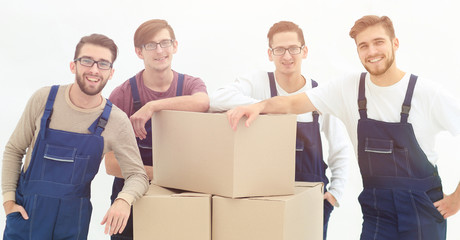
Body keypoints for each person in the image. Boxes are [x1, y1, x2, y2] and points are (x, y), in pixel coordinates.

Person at [226, 15, 460, 240]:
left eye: (378, 42)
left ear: (395, 43)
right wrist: (259, 106)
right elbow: (292, 102)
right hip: (377, 211)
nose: (372, 52)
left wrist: (457, 200)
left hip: (422, 210)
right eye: (363, 46)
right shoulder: (348, 88)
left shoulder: (427, 94)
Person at [210, 21, 353, 239]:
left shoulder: (318, 94)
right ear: (270, 54)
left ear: (304, 51)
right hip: (263, 199)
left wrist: (335, 195)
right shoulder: (258, 82)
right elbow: (217, 99)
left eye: (293, 49)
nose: (287, 56)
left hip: (310, 201)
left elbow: (340, 148)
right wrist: (263, 105)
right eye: (279, 50)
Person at [1, 34, 149, 239]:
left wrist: (124, 200)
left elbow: (138, 175)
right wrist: (8, 201)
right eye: (87, 60)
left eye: (103, 64)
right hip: (26, 216)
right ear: (73, 66)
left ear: (111, 72)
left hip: (71, 223)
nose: (94, 69)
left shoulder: (116, 120)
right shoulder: (43, 100)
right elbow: (14, 150)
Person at [105, 19, 209, 240]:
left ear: (175, 46)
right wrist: (166, 175)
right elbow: (111, 165)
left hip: (179, 196)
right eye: (151, 45)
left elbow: (202, 102)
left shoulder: (190, 85)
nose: (159, 50)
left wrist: (153, 106)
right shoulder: (122, 95)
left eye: (165, 43)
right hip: (131, 198)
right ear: (139, 52)